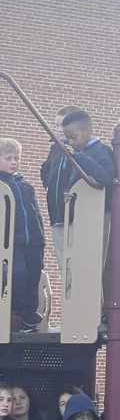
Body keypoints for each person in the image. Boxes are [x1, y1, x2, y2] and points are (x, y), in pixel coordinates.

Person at [0, 137, 45, 331]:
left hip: (32, 240)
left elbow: (36, 213)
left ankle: (29, 315)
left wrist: (41, 237)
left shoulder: (25, 185)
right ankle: (17, 309)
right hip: (12, 241)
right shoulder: (3, 186)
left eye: (17, 158)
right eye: (8, 158)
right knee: (17, 273)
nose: (14, 162)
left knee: (34, 274)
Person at [39, 104, 83, 273]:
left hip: (73, 215)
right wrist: (47, 182)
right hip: (56, 213)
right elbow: (47, 168)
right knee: (62, 262)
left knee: (75, 262)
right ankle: (68, 295)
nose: (57, 129)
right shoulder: (55, 148)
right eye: (56, 125)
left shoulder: (81, 149)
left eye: (61, 125)